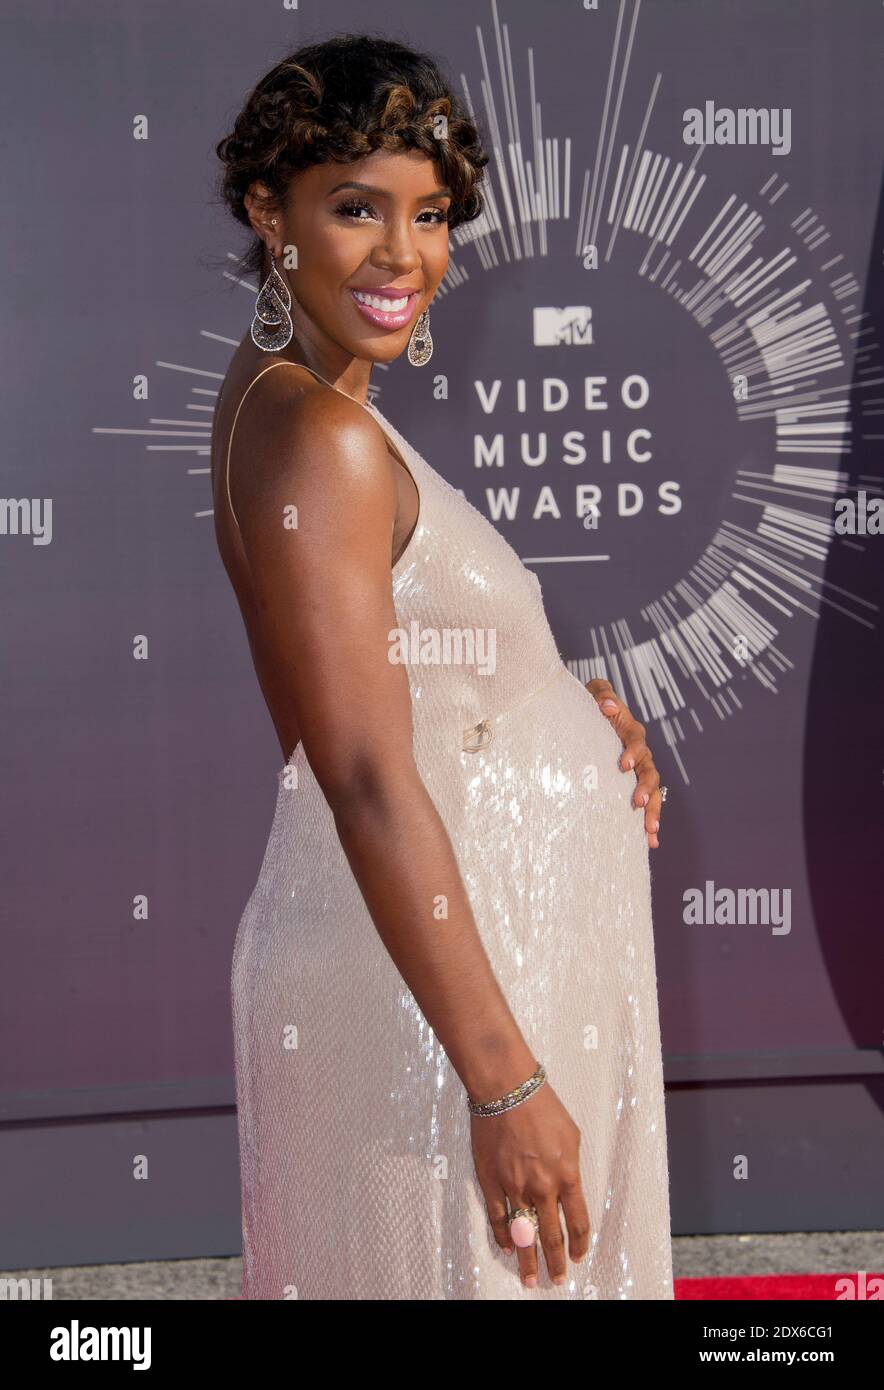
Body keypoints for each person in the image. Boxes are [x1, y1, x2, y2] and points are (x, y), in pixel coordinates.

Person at [212, 33, 672, 1300]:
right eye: (354, 208)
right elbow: (357, 767)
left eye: (429, 214)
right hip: (440, 1020)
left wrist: (546, 720)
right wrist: (504, 1083)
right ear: (271, 212)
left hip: (448, 979)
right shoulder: (319, 439)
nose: (402, 254)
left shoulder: (296, 400)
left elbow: (388, 686)